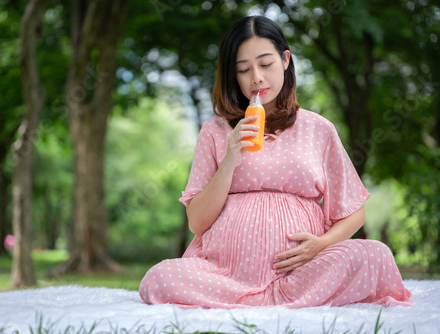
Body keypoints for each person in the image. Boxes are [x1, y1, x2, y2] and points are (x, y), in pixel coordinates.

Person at [139, 16, 413, 309]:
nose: (256, 77)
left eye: (265, 64)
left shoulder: (318, 128)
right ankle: (263, 301)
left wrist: (320, 245)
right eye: (244, 70)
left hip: (302, 275)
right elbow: (197, 222)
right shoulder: (216, 131)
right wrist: (230, 161)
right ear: (234, 76)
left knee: (376, 255)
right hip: (225, 276)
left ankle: (281, 298)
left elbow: (354, 214)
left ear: (285, 60)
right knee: (158, 278)